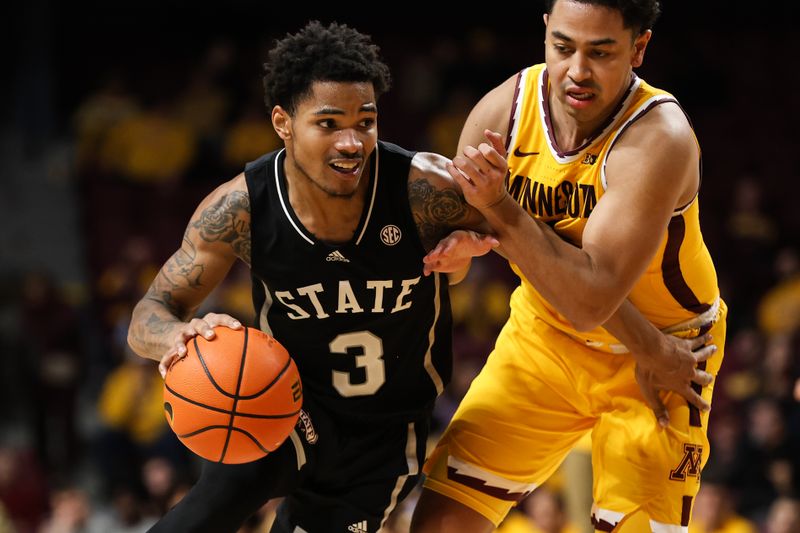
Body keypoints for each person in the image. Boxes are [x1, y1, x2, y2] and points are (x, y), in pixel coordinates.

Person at [126, 21, 496, 533]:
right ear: (283, 121)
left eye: (365, 123)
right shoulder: (240, 209)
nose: (352, 142)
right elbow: (148, 314)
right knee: (193, 520)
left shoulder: (423, 190)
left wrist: (468, 258)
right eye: (329, 124)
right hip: (284, 409)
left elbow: (523, 241)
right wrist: (173, 335)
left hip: (384, 436)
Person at [412, 1, 727, 532]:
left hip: (666, 357)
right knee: (441, 521)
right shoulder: (502, 112)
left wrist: (500, 212)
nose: (577, 71)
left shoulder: (657, 139)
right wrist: (458, 253)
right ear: (544, 34)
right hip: (545, 335)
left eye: (600, 53)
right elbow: (464, 265)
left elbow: (590, 299)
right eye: (563, 47)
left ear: (639, 48)